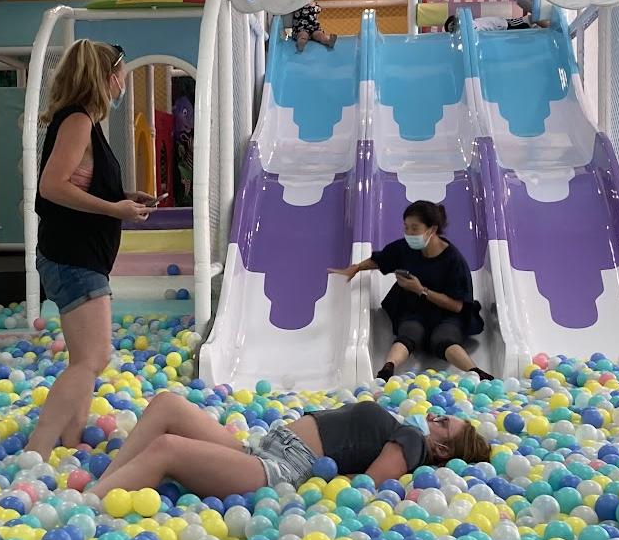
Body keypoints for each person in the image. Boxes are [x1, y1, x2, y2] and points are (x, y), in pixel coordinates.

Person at [28, 39, 156, 457]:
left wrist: (124, 196)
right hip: (73, 258)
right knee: (94, 356)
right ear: (107, 78)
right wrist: (114, 209)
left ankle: (70, 442)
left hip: (76, 257)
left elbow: (78, 181)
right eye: (120, 74)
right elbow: (51, 186)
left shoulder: (83, 122)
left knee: (84, 357)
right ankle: (39, 448)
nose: (122, 83)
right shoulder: (78, 121)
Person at [85, 392, 492, 498]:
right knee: (167, 405)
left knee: (168, 449)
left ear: (441, 450)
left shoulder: (411, 439)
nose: (434, 417)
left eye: (443, 424)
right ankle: (109, 481)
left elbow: (371, 482)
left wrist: (316, 480)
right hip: (262, 449)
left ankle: (86, 506)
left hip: (281, 470)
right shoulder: (407, 432)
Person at [331, 200, 488, 382]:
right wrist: (356, 268)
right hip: (413, 310)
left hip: (446, 315)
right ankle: (387, 370)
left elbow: (457, 306)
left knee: (443, 339)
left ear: (432, 229)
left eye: (415, 228)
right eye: (406, 227)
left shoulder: (454, 261)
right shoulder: (406, 248)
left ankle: (477, 373)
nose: (409, 233)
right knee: (409, 333)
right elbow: (381, 259)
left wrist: (421, 290)